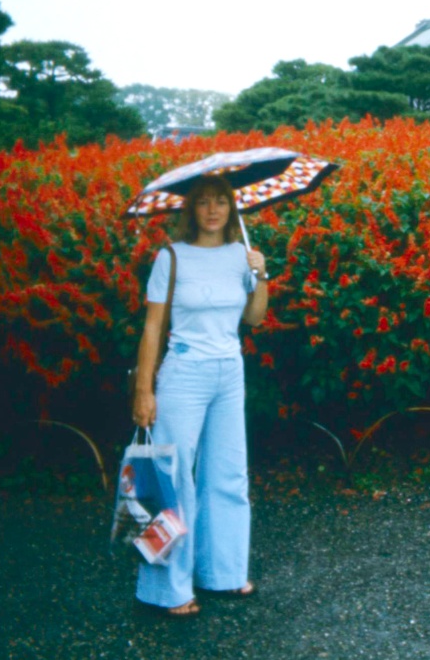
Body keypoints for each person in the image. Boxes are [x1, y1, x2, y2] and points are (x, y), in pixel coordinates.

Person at [132, 174, 268, 617]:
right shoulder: (170, 257)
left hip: (230, 372)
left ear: (232, 209)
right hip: (184, 373)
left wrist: (260, 275)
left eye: (221, 202)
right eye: (204, 202)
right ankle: (167, 590)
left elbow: (255, 319)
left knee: (228, 475)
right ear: (190, 210)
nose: (213, 210)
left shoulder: (240, 256)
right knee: (171, 481)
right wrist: (144, 389)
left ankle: (224, 573)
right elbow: (153, 328)